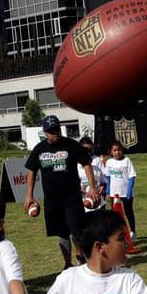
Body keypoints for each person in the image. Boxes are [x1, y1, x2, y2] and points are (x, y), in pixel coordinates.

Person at [22, 115, 97, 268]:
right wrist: (29, 195)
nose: (54, 133)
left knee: (76, 230)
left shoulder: (72, 145)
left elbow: (86, 164)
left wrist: (92, 188)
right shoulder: (40, 149)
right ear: (44, 132)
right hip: (52, 200)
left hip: (72, 197)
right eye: (50, 131)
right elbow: (31, 171)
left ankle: (80, 255)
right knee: (61, 233)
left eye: (56, 129)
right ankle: (67, 264)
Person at [103, 141, 138, 235]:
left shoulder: (127, 160)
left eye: (119, 150)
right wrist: (107, 191)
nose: (117, 152)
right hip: (114, 194)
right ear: (111, 152)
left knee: (128, 212)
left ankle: (132, 231)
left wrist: (129, 190)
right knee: (116, 214)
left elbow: (132, 176)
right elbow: (108, 177)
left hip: (126, 193)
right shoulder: (109, 162)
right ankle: (119, 232)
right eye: (115, 150)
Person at [77, 136, 105, 210]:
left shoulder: (97, 165)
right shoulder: (76, 167)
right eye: (86, 150)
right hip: (85, 203)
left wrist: (103, 187)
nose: (89, 152)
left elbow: (103, 181)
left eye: (91, 150)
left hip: (99, 203)